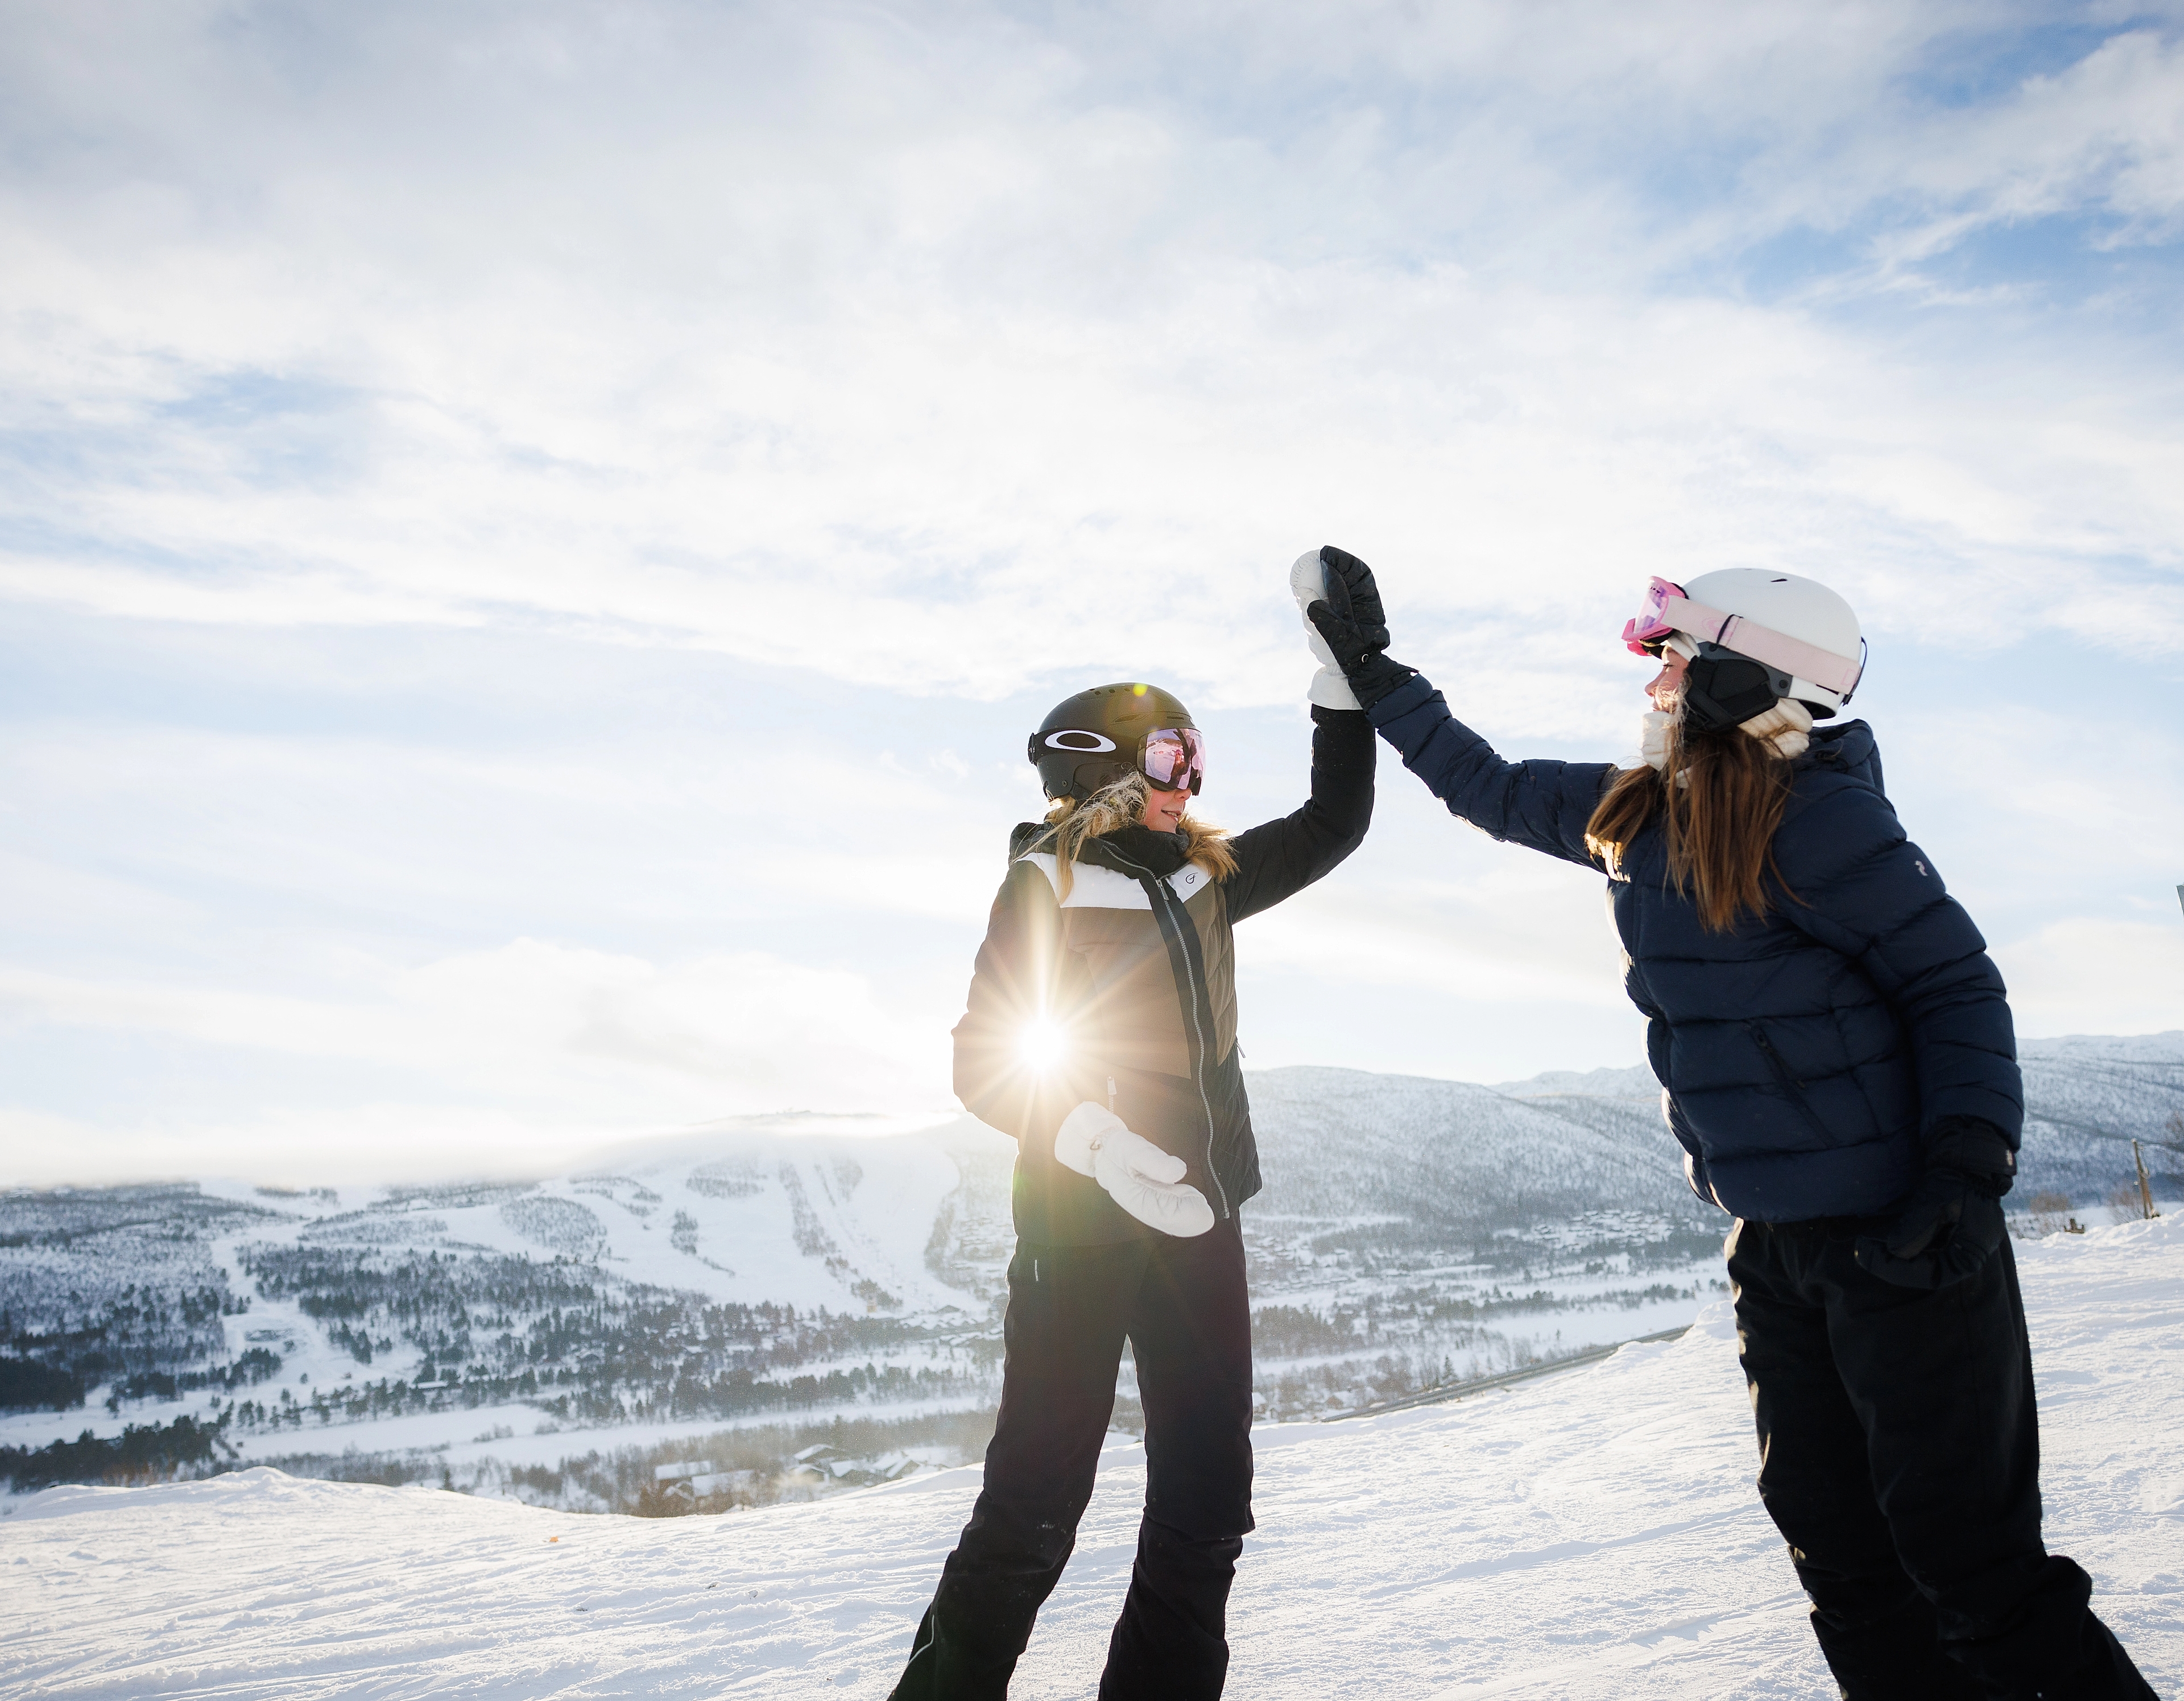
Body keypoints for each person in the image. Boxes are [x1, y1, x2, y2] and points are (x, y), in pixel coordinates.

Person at [1303, 559, 2157, 1700]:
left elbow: (1954, 986)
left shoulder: (1824, 818)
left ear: (1745, 672)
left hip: (1907, 1237)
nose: (1651, 675)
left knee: (1972, 1566)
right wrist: (1379, 677)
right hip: (1777, 1250)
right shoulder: (1641, 813)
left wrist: (1966, 1166)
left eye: (1671, 651)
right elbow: (1491, 787)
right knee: (1844, 1558)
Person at [886, 549, 1378, 1701]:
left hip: (1202, 1225)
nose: (1190, 779)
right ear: (1097, 770)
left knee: (1210, 1499)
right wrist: (1104, 1146)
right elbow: (986, 1062)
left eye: (1198, 758)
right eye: (1171, 755)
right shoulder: (1047, 887)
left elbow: (1336, 820)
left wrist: (1342, 685)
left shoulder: (1204, 876)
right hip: (1081, 1232)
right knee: (1036, 1501)